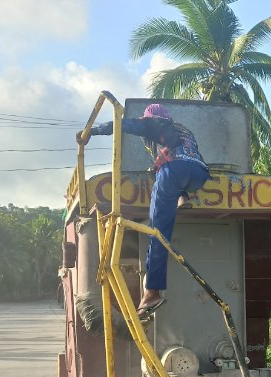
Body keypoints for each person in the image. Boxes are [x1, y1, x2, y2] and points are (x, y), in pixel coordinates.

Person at [79, 104, 210, 320]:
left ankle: (152, 292)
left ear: (151, 118)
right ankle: (183, 197)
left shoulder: (150, 124)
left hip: (174, 171)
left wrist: (91, 132)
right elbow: (180, 153)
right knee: (160, 170)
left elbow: (120, 125)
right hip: (199, 174)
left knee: (158, 232)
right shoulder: (182, 129)